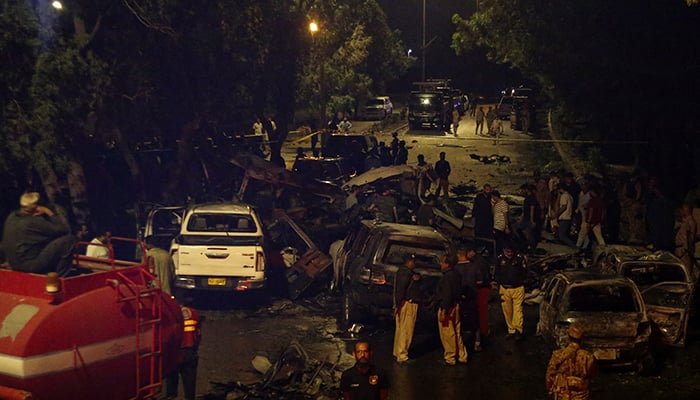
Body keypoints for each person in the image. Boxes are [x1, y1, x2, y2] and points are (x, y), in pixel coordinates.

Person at [1, 192, 76, 277]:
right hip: (29, 266)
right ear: (37, 207)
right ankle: (60, 278)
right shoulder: (34, 221)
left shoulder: (12, 216)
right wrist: (49, 212)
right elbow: (65, 229)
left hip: (14, 263)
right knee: (68, 240)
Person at [546, 325, 597, 400]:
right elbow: (592, 374)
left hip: (562, 394)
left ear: (568, 338)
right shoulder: (588, 357)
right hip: (581, 395)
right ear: (581, 340)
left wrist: (551, 389)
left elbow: (550, 375)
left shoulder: (558, 355)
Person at [166, 305, 202, 400]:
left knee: (171, 383)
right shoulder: (194, 312)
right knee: (190, 386)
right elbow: (198, 334)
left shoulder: (170, 312)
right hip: (189, 351)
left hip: (173, 352)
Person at [491, 243, 526, 340]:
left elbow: (525, 272)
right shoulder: (499, 259)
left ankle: (518, 330)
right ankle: (511, 330)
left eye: (511, 252)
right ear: (504, 250)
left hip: (517, 288)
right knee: (507, 311)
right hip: (504, 289)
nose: (510, 254)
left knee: (518, 310)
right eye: (508, 252)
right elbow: (496, 273)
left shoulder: (519, 259)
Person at [393, 253, 422, 364]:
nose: (415, 264)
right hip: (408, 304)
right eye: (414, 262)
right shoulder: (406, 274)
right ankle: (402, 355)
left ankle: (397, 352)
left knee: (400, 329)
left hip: (402, 303)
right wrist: (398, 305)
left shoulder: (401, 272)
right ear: (409, 262)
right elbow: (401, 290)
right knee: (407, 330)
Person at [675, 204, 696, 271]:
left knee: (685, 269)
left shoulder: (690, 222)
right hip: (682, 250)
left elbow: (689, 237)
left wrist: (686, 250)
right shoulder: (686, 222)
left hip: (684, 251)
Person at [491, 190, 510, 255]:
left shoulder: (503, 204)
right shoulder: (496, 204)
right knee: (498, 241)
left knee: (499, 242)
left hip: (500, 225)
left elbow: (505, 215)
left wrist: (507, 226)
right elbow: (493, 213)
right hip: (496, 224)